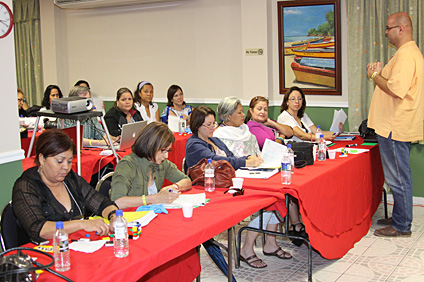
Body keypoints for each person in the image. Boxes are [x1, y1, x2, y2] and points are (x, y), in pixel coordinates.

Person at [367, 12, 423, 237]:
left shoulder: (407, 55)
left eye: (389, 28)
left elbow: (396, 90)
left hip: (395, 126)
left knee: (398, 178)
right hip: (394, 125)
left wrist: (374, 75)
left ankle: (402, 225)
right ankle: (400, 216)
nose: (386, 33)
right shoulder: (406, 54)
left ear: (401, 29)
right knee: (398, 177)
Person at [12, 129, 118, 242]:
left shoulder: (70, 178)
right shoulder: (26, 186)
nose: (66, 167)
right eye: (59, 161)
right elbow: (39, 229)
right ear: (42, 159)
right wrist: (82, 224)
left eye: (69, 161)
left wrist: (114, 216)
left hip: (76, 245)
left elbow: (100, 202)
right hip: (43, 252)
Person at [110, 122, 191, 209]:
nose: (166, 155)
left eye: (167, 150)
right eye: (163, 150)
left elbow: (186, 181)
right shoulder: (127, 165)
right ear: (150, 146)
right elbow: (117, 201)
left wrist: (174, 187)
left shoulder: (161, 162)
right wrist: (156, 198)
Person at [185, 105, 263, 169]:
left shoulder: (215, 140)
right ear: (197, 126)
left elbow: (231, 157)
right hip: (206, 183)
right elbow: (215, 160)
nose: (213, 127)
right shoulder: (194, 145)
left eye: (213, 123)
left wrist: (248, 158)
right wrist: (245, 162)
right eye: (209, 125)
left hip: (224, 178)